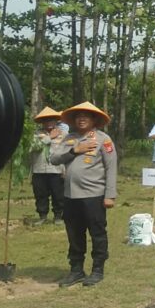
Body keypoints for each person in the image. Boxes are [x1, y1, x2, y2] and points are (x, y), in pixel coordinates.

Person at [50, 102, 117, 287]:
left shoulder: (103, 139)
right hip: (71, 196)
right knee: (74, 234)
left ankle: (97, 269)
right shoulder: (69, 139)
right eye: (78, 116)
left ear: (94, 119)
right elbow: (54, 159)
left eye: (85, 116)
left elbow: (111, 168)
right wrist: (74, 150)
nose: (81, 119)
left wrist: (110, 195)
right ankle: (76, 270)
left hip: (94, 195)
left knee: (97, 233)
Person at [32, 107, 66, 226]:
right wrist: (49, 137)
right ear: (42, 122)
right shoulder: (36, 134)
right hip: (39, 169)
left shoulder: (63, 134)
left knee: (58, 195)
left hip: (56, 170)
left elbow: (66, 152)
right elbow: (33, 147)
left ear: (56, 121)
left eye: (51, 120)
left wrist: (65, 170)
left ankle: (58, 216)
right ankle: (42, 216)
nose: (49, 123)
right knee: (40, 194)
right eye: (46, 120)